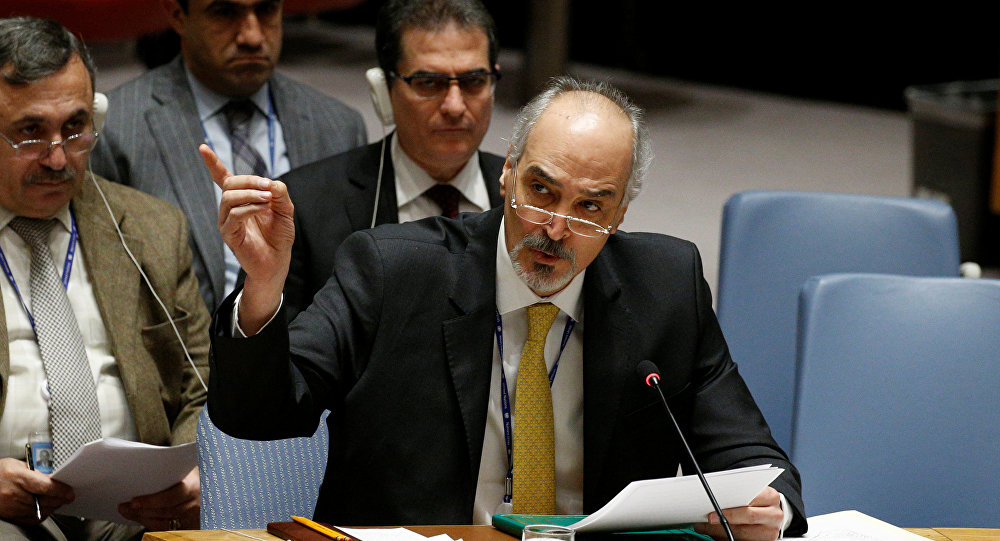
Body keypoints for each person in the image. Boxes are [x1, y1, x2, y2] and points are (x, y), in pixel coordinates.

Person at [205, 77, 807, 541]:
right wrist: (263, 288)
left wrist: (771, 508)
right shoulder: (393, 271)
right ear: (506, 177)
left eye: (590, 207)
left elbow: (753, 457)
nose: (555, 228)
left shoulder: (665, 286)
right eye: (541, 190)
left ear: (621, 214)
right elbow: (259, 414)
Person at [0, 17, 210, 540]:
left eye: (75, 128)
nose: (57, 158)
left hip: (136, 522)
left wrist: (192, 477)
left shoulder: (150, 230)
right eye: (30, 132)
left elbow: (203, 383)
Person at [89, 0, 367, 313]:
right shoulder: (117, 130)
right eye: (225, 12)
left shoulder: (339, 128)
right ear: (178, 16)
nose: (252, 37)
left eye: (266, 11)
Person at [282, 0, 504, 317]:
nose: (455, 106)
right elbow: (271, 343)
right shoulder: (306, 207)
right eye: (429, 83)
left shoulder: (535, 201)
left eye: (474, 81)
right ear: (383, 90)